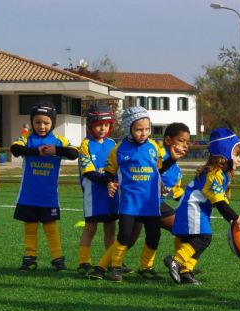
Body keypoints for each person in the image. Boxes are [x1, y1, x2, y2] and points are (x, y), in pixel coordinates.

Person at [87, 106, 179, 282]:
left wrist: (172, 159)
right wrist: (110, 183)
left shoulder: (154, 147)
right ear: (129, 128)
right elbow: (108, 172)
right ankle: (115, 267)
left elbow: (159, 170)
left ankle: (146, 267)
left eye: (147, 129)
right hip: (129, 203)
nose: (143, 133)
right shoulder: (119, 149)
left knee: (154, 236)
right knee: (124, 236)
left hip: (151, 203)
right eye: (138, 129)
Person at [164, 128, 240, 285]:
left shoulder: (220, 174)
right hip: (192, 208)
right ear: (225, 153)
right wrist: (235, 218)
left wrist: (233, 217)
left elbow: (221, 199)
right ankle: (175, 260)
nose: (239, 159)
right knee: (204, 237)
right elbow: (220, 203)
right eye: (236, 154)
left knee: (194, 239)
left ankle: (185, 272)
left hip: (193, 208)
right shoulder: (214, 174)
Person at [10, 101, 79, 272]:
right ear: (32, 122)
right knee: (30, 227)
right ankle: (29, 257)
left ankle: (57, 258)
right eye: (37, 122)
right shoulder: (26, 139)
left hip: (49, 196)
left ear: (53, 123)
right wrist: (36, 151)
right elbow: (15, 149)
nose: (42, 126)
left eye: (46, 123)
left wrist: (56, 151)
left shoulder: (58, 140)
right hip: (28, 195)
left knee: (51, 227)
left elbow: (74, 153)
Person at [128, 122, 191, 268]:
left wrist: (195, 199)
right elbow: (148, 171)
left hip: (155, 204)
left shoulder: (176, 169)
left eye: (187, 142)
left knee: (178, 230)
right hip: (141, 201)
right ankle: (109, 264)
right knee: (129, 238)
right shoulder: (158, 153)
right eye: (181, 141)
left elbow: (175, 193)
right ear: (168, 140)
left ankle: (176, 264)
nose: (185, 145)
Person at [76, 103, 119, 276]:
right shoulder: (85, 145)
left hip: (111, 194)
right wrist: (107, 180)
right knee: (90, 228)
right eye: (99, 125)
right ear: (91, 125)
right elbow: (90, 172)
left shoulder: (113, 144)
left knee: (110, 228)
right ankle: (84, 261)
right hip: (93, 195)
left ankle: (111, 262)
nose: (103, 128)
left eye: (106, 125)